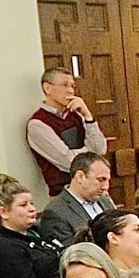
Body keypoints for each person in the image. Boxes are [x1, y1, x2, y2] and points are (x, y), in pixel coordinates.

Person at [0, 174, 66, 278]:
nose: (32, 209)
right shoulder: (2, 247)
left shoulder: (36, 231)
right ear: (3, 212)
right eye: (23, 205)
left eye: (32, 203)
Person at [27, 66, 108, 197]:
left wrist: (88, 116)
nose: (70, 91)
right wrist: (88, 151)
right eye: (64, 85)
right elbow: (70, 162)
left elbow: (100, 150)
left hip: (96, 190)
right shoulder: (38, 124)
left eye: (72, 86)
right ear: (47, 88)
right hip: (65, 195)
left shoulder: (77, 115)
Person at [36, 151, 116, 242]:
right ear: (80, 177)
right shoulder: (56, 212)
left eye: (108, 181)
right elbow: (70, 252)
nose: (106, 187)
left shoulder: (104, 200)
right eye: (101, 180)